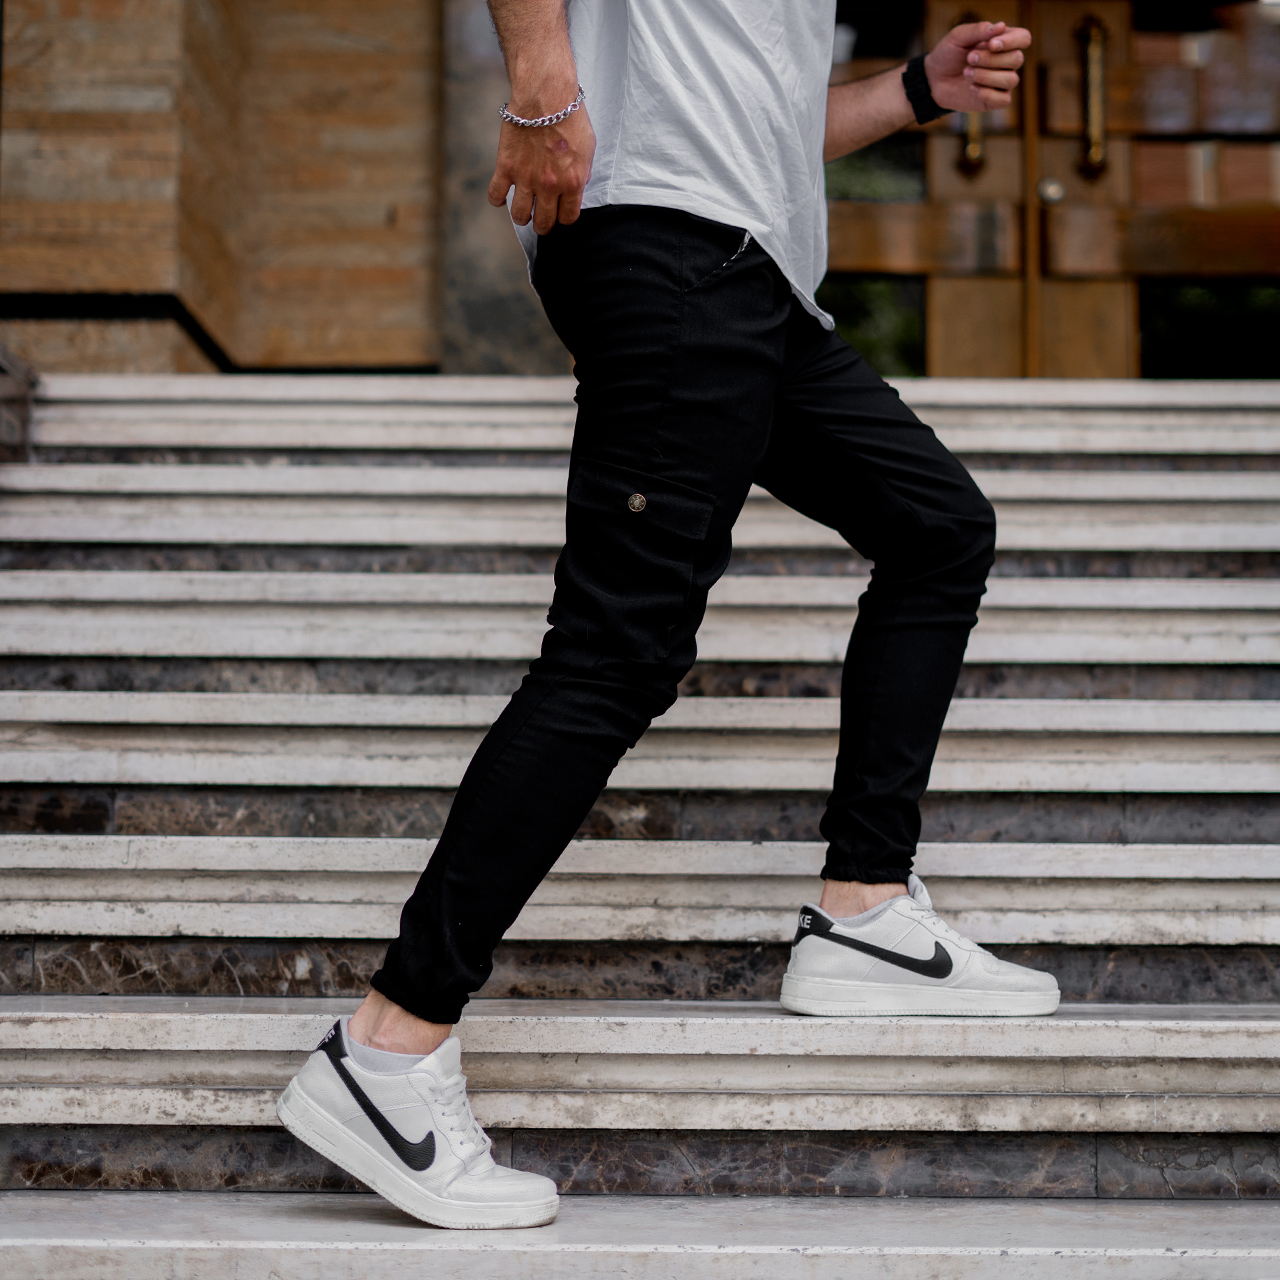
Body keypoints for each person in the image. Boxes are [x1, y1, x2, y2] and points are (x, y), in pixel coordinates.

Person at [277, 0, 1055, 1229]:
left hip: (750, 273)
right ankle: (388, 1042)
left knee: (936, 526)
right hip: (671, 245)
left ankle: (861, 908)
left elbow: (766, 116)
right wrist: (541, 92)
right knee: (614, 654)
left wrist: (916, 91)